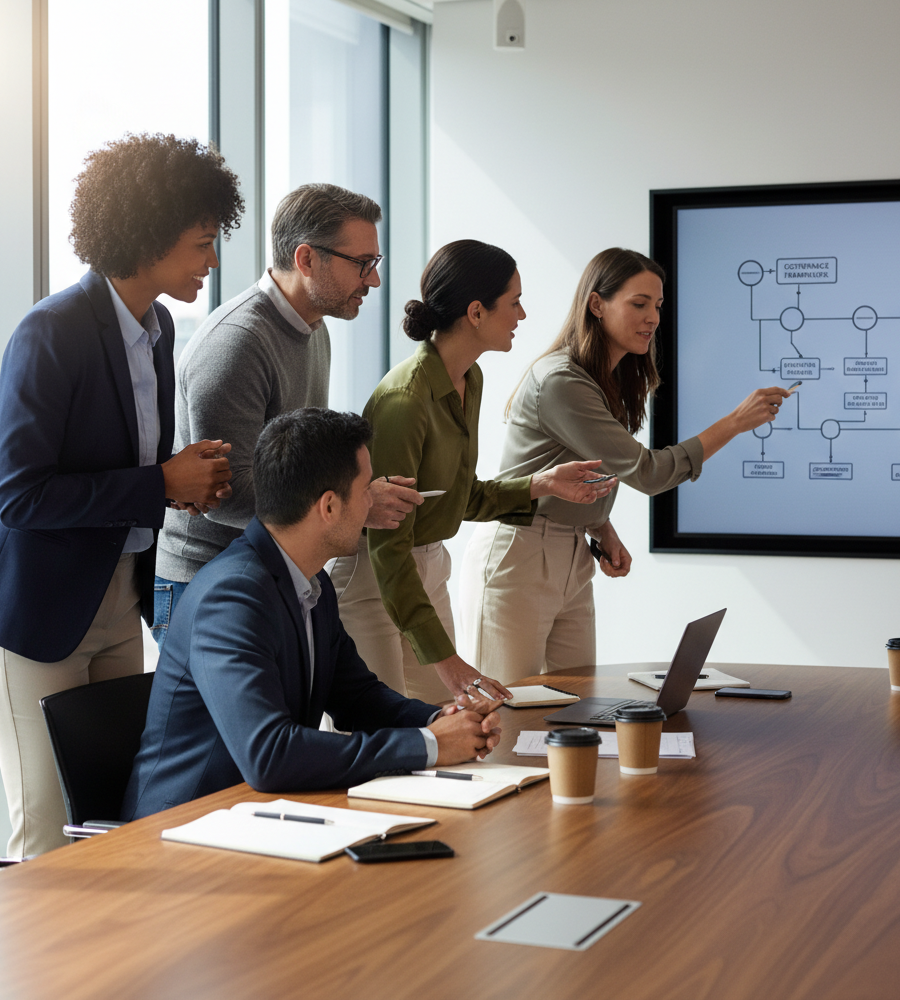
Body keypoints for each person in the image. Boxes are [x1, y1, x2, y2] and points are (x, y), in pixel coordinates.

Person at [0, 133, 243, 856]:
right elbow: (19, 496)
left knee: (112, 817)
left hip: (115, 598)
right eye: (202, 243)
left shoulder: (160, 325)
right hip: (35, 609)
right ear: (147, 236)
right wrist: (157, 482)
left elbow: (124, 466)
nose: (211, 261)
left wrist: (177, 483)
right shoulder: (51, 332)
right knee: (47, 828)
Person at [122, 409, 502, 819]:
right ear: (329, 506)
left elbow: (357, 697)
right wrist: (429, 745)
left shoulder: (308, 579)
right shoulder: (232, 597)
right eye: (365, 491)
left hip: (256, 817)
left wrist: (440, 719)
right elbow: (269, 756)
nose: (372, 501)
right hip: (182, 831)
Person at [459, 248, 790, 685]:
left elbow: (588, 470)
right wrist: (734, 423)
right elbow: (648, 473)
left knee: (573, 710)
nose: (652, 317)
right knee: (503, 714)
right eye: (639, 304)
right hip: (517, 553)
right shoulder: (562, 381)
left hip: (570, 551)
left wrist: (600, 526)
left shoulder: (604, 382)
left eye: (657, 306)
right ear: (597, 304)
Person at [329, 240, 615, 706]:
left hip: (426, 567)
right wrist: (446, 660)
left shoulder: (469, 380)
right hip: (373, 576)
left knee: (444, 727)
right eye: (514, 301)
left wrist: (541, 483)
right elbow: (389, 546)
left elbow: (456, 498)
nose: (522, 315)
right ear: (477, 312)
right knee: (377, 737)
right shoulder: (405, 399)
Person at [152, 184, 421, 646]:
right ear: (306, 259)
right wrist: (349, 505)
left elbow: (297, 465)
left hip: (265, 573)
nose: (373, 281)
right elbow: (226, 493)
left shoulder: (314, 328)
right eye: (362, 263)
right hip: (206, 582)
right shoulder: (237, 343)